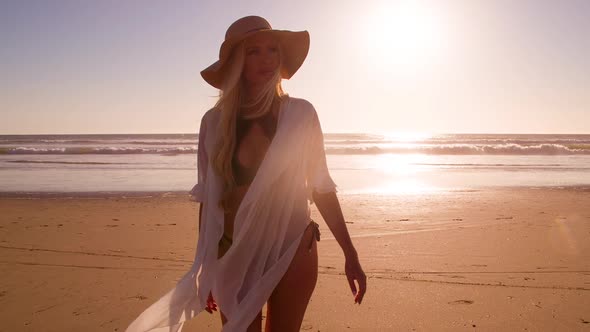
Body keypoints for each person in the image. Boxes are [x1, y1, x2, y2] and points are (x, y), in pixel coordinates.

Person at [126, 15, 366, 332]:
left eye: (272, 50)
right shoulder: (213, 123)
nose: (266, 59)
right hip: (233, 249)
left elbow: (320, 187)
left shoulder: (301, 114)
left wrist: (350, 254)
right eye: (254, 51)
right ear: (238, 61)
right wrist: (204, 268)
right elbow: (209, 200)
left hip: (293, 246)